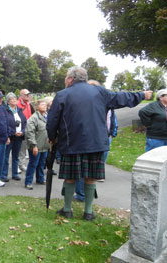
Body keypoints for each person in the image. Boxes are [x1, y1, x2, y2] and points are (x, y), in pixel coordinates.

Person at [47, 66, 152, 221]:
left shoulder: (62, 94)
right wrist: (141, 94)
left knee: (70, 177)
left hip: (71, 143)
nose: (65, 80)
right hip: (95, 143)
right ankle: (88, 212)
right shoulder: (100, 91)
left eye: (65, 77)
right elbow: (122, 98)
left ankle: (67, 210)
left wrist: (52, 137)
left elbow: (52, 120)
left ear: (71, 78)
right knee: (91, 177)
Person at [24, 100, 50, 189]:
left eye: (45, 105)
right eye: (42, 105)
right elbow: (30, 133)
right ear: (37, 107)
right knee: (33, 163)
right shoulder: (33, 118)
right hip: (36, 146)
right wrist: (34, 146)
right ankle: (28, 182)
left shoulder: (47, 116)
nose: (44, 106)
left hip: (44, 145)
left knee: (42, 163)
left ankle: (40, 179)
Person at [1, 92, 27, 182]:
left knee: (16, 156)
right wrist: (13, 132)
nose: (14, 100)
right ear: (8, 102)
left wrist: (22, 132)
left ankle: (15, 174)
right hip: (9, 137)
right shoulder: (5, 111)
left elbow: (24, 123)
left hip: (19, 137)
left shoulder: (19, 110)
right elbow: (4, 124)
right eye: (12, 99)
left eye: (15, 98)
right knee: (6, 156)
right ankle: (4, 175)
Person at [17, 89, 34, 172]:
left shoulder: (28, 104)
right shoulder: (17, 104)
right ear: (21, 95)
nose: (28, 96)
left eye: (28, 94)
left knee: (23, 148)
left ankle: (21, 164)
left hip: (27, 128)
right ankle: (16, 165)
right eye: (26, 95)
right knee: (17, 148)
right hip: (19, 129)